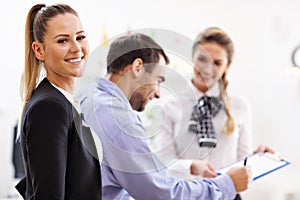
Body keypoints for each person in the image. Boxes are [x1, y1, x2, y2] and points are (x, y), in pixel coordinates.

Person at [81, 32, 251, 200]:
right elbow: (160, 192)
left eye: (217, 62)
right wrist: (225, 185)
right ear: (137, 68)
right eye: (158, 80)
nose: (158, 93)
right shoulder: (120, 120)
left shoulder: (87, 98)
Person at [151, 27, 274, 200]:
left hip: (228, 196)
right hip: (189, 194)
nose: (207, 69)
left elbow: (242, 161)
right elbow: (164, 161)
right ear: (192, 59)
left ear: (227, 66)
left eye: (217, 63)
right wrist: (193, 166)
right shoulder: (170, 105)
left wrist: (259, 157)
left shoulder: (240, 106)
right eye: (202, 59)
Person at [15, 4, 102, 199]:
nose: (77, 48)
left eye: (80, 37)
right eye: (63, 40)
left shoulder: (63, 101)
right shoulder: (49, 108)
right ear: (39, 51)